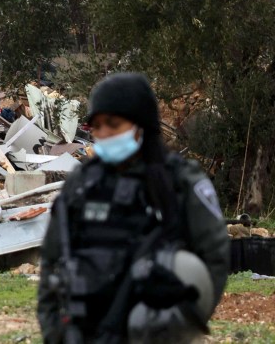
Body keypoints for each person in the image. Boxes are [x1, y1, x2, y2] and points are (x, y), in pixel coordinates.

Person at [37, 72, 230, 343]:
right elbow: (52, 260)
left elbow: (215, 255)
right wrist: (52, 331)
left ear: (141, 125)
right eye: (97, 126)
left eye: (113, 125)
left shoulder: (178, 181)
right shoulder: (82, 184)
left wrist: (186, 321)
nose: (103, 134)